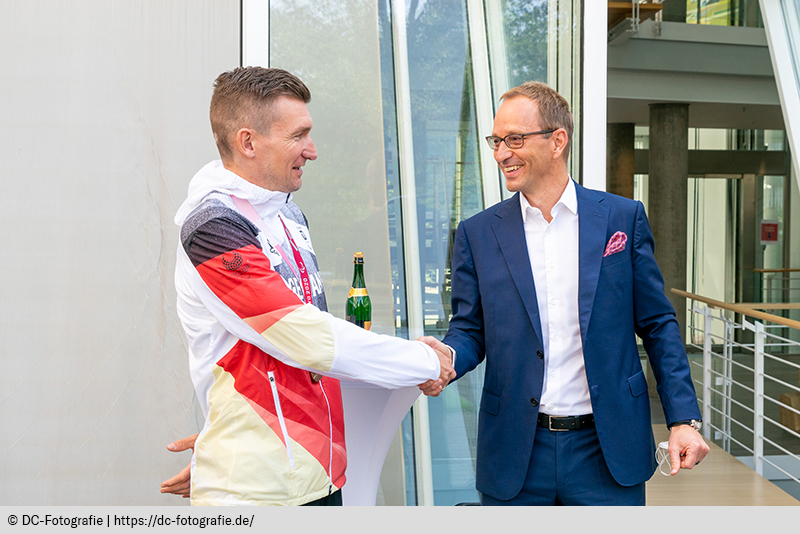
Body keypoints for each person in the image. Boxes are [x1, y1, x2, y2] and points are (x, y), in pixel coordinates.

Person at [166, 66, 453, 506]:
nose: (312, 151)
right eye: (298, 135)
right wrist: (424, 361)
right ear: (248, 142)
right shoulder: (213, 227)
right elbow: (303, 336)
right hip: (256, 492)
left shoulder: (288, 213)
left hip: (320, 477)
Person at [419, 81, 709, 505]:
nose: (501, 154)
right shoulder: (477, 233)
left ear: (558, 141)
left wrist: (683, 419)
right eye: (496, 141)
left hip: (607, 450)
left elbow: (657, 323)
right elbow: (470, 330)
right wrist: (446, 358)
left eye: (514, 139)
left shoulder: (622, 218)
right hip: (516, 452)